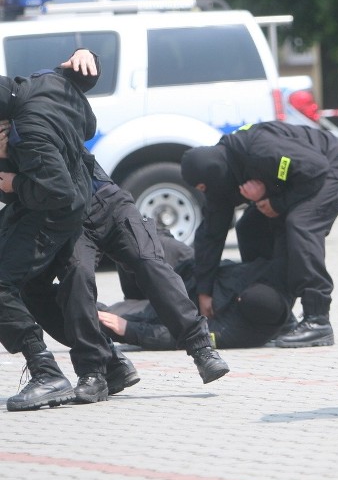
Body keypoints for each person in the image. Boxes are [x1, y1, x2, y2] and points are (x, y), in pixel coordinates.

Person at [18, 49, 230, 390]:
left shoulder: (31, 98)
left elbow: (74, 76)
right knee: (77, 281)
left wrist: (87, 56)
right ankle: (95, 371)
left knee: (150, 263)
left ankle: (201, 349)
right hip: (68, 220)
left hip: (106, 199)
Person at [180, 121, 338, 349]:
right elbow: (211, 235)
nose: (205, 193)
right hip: (301, 176)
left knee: (301, 224)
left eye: (204, 187)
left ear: (214, 175)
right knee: (250, 226)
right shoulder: (221, 175)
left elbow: (314, 169)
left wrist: (276, 202)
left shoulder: (260, 150)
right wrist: (204, 291)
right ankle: (279, 311)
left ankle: (318, 319)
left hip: (333, 166)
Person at [0, 50, 113, 411]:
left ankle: (46, 373)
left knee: (2, 285)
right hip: (59, 199)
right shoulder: (42, 83)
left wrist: (16, 183)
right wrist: (88, 56)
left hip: (56, 210)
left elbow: (56, 191)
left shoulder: (28, 132)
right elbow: (77, 80)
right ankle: (111, 362)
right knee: (29, 287)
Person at [97, 230, 296, 350]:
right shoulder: (270, 277)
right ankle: (137, 292)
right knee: (139, 237)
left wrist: (130, 331)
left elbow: (185, 336)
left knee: (102, 319)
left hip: (172, 309)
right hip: (192, 272)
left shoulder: (237, 333)